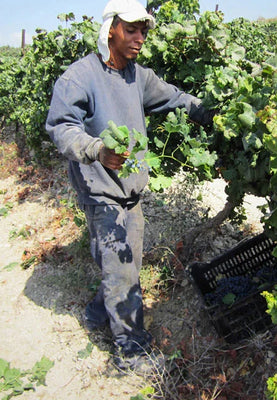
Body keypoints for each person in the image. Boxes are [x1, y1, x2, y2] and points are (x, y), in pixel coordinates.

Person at [46, 0, 215, 371]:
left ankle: (96, 313)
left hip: (132, 190)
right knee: (121, 267)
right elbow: (61, 127)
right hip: (101, 190)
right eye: (131, 29)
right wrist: (97, 149)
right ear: (111, 30)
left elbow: (175, 98)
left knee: (127, 265)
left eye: (144, 31)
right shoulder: (80, 77)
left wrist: (214, 111)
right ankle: (132, 352)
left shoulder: (139, 76)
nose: (139, 38)